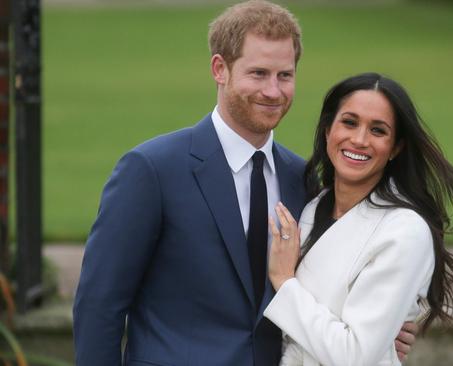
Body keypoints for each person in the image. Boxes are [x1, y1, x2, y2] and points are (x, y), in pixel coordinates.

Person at [73, 2, 416, 365]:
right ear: (220, 69)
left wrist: (380, 326)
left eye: (284, 75)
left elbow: (327, 285)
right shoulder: (151, 170)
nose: (273, 91)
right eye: (258, 73)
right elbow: (99, 305)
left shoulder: (304, 181)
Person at [263, 72, 453, 365]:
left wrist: (285, 283)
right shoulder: (312, 208)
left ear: (395, 148)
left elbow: (355, 357)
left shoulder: (404, 231)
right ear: (327, 131)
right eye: (349, 122)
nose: (359, 140)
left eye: (378, 130)